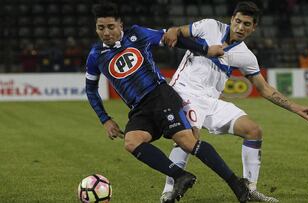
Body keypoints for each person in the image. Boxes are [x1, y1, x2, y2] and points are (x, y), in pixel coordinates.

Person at [85, 2, 250, 203]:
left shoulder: (137, 34)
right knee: (132, 141)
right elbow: (91, 90)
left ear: (121, 24)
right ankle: (181, 176)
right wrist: (105, 120)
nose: (106, 32)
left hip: (160, 94)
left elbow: (173, 38)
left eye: (111, 27)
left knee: (187, 141)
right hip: (139, 108)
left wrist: (205, 49)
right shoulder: (95, 56)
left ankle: (236, 184)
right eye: (101, 28)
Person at [160, 1, 308, 202]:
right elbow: (177, 32)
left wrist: (297, 108)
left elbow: (265, 89)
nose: (240, 27)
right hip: (183, 92)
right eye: (238, 21)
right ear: (232, 19)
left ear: (254, 28)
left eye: (247, 24)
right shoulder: (209, 26)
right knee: (188, 137)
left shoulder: (246, 56)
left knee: (253, 131)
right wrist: (173, 32)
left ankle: (249, 190)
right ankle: (168, 191)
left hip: (210, 100)